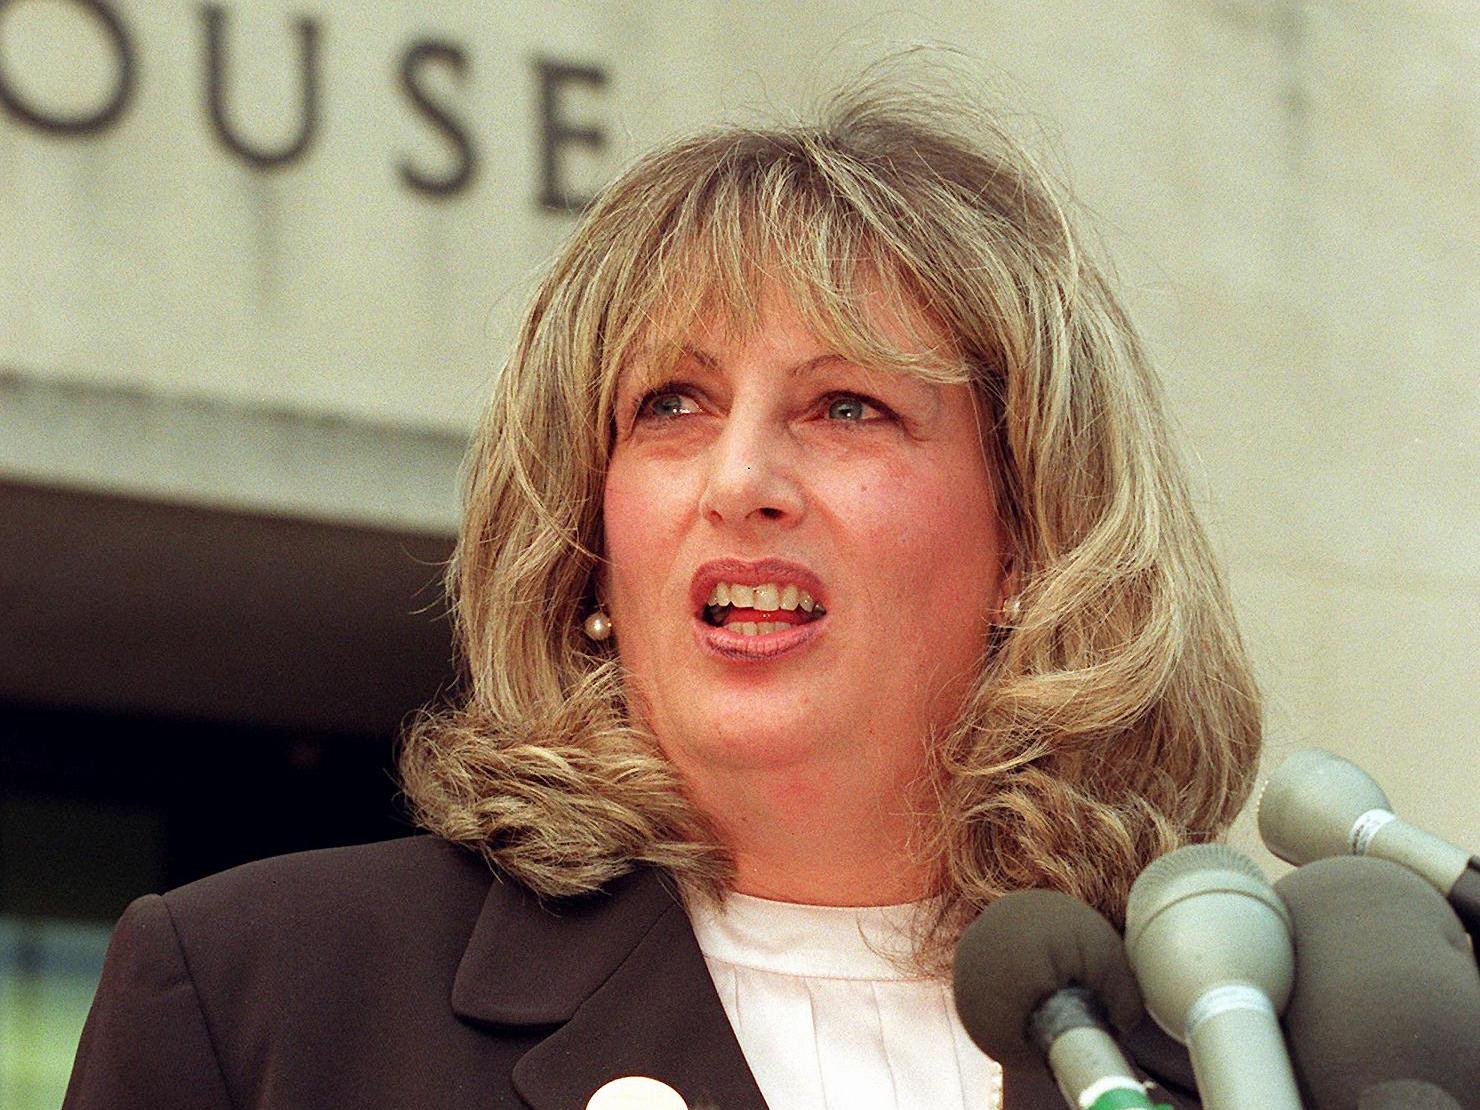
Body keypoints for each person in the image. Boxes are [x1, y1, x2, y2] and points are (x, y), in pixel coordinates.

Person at [63, 77, 1260, 1110]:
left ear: (1030, 541)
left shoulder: (1239, 1038)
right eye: (669, 407)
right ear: (590, 544)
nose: (740, 482)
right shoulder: (258, 997)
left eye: (848, 406)